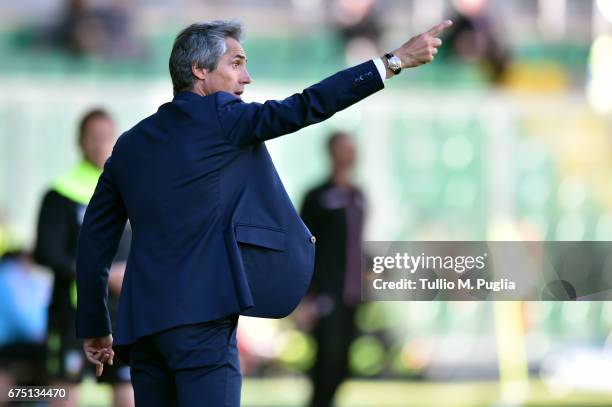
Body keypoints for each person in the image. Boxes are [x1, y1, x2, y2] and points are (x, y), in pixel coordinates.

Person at [75, 18, 452, 407]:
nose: (247, 78)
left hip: (143, 330)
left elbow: (93, 242)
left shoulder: (130, 144)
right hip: (202, 325)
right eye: (236, 64)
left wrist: (94, 324)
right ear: (200, 71)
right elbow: (308, 105)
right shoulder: (224, 117)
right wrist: (392, 62)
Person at [33, 109, 134, 407]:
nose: (101, 143)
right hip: (72, 314)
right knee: (63, 389)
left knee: (128, 389)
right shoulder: (60, 193)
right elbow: (46, 252)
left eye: (107, 137)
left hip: (122, 312)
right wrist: (99, 274)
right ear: (80, 142)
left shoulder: (130, 190)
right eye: (94, 137)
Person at [300, 131, 363, 407]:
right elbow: (303, 246)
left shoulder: (359, 196)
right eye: (345, 148)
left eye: (353, 148)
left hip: (352, 295)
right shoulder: (317, 196)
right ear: (332, 152)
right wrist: (306, 298)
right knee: (326, 361)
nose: (351, 153)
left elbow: (355, 243)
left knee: (343, 365)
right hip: (326, 294)